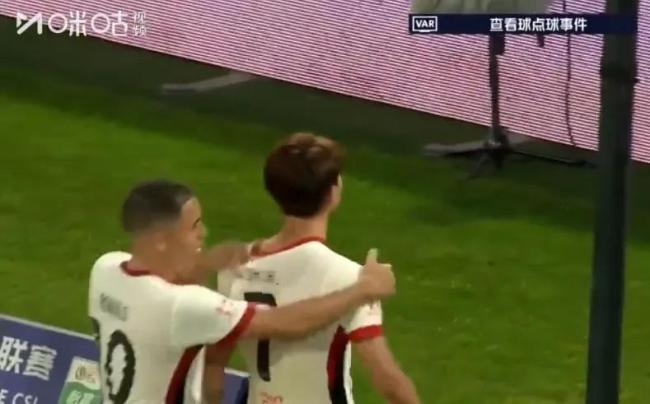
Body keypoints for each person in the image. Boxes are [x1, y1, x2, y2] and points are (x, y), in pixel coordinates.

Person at [87, 179, 396, 404]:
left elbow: (156, 283)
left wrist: (205, 263)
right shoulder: (185, 306)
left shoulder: (105, 268)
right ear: (161, 240)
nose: (203, 233)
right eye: (194, 226)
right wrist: (362, 289)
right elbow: (288, 323)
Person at [212, 133, 421, 404]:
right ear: (333, 192)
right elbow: (388, 380)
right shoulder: (352, 279)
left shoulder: (233, 267)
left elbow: (214, 362)